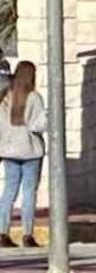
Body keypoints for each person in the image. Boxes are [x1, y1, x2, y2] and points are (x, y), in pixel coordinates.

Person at [0, 62, 45, 248]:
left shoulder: (4, 97)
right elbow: (38, 125)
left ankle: (2, 232)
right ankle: (27, 234)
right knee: (29, 193)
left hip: (9, 151)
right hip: (30, 151)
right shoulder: (34, 97)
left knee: (8, 192)